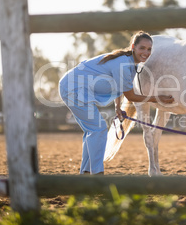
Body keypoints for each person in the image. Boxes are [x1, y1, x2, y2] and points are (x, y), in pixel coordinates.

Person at [59, 31, 174, 175]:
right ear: (133, 47)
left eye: (149, 49)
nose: (146, 52)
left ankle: (87, 172)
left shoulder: (130, 62)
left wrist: (117, 107)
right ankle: (97, 174)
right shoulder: (124, 64)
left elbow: (118, 86)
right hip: (73, 88)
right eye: (142, 48)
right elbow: (131, 96)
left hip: (74, 87)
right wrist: (157, 98)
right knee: (98, 129)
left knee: (93, 130)